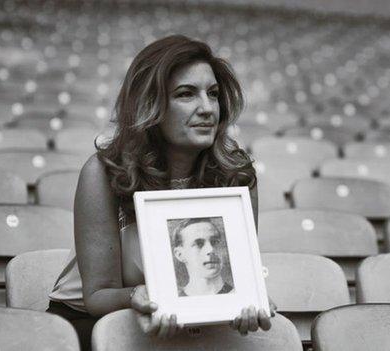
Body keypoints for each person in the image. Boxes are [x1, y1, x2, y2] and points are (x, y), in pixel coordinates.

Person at [46, 35, 274, 350]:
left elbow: (232, 278)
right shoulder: (103, 172)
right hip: (94, 323)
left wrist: (245, 301)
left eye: (213, 94)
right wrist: (142, 295)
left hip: (187, 323)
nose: (207, 108)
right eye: (186, 94)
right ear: (150, 105)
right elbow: (98, 295)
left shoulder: (236, 174)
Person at [170, 218, 234, 297]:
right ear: (180, 255)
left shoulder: (241, 295)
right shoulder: (173, 303)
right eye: (199, 244)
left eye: (215, 242)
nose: (211, 249)